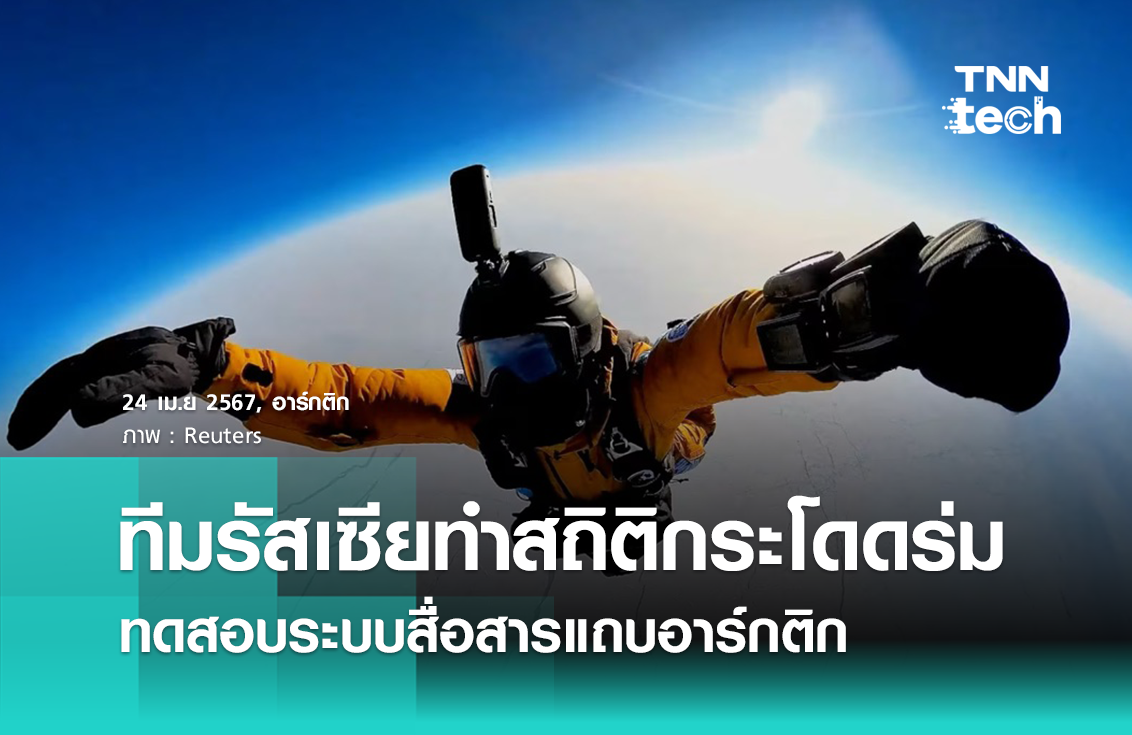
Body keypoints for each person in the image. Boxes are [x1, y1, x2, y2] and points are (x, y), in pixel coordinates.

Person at [7, 165, 1070, 529]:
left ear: (588, 353)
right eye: (487, 368)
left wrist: (868, 309)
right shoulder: (495, 422)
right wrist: (215, 368)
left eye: (527, 364)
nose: (504, 393)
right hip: (583, 497)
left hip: (644, 458)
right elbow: (347, 401)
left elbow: (729, 346)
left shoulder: (641, 393)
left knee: (675, 397)